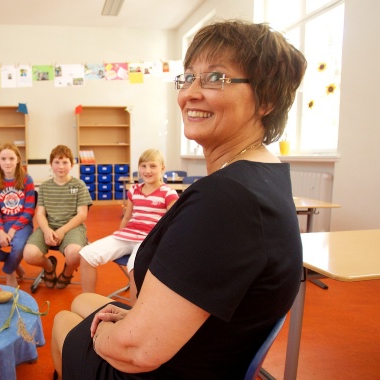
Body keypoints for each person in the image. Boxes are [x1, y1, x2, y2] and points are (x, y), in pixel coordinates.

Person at [51, 19, 306, 379]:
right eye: (188, 78)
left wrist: (104, 334)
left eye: (215, 78)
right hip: (203, 344)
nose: (189, 93)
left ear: (266, 99)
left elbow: (136, 351)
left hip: (169, 366)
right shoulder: (267, 175)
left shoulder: (227, 198)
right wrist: (128, 322)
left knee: (64, 320)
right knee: (83, 300)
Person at [79, 149, 178, 303]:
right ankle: (88, 303)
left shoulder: (168, 193)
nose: (147, 170)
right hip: (128, 235)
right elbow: (126, 217)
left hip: (149, 239)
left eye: (153, 166)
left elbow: (173, 223)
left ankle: (133, 314)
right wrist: (116, 237)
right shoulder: (134, 190)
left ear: (162, 168)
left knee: (134, 267)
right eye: (143, 166)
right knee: (86, 254)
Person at [23, 145, 92, 289]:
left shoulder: (79, 185)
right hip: (49, 226)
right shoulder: (45, 187)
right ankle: (49, 267)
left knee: (75, 254)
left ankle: (67, 273)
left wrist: (62, 231)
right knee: (29, 254)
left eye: (65, 162)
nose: (61, 166)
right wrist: (47, 230)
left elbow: (82, 214)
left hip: (72, 227)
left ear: (72, 165)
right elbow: (40, 213)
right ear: (51, 164)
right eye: (57, 162)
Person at [0, 144, 36, 287]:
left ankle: (9, 272)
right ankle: (14, 264)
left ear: (18, 160)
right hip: (2, 224)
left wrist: (12, 230)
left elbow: (29, 210)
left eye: (11, 158)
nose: (7, 162)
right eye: (3, 158)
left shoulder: (27, 180)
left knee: (19, 246)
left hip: (22, 224)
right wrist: (0, 232)